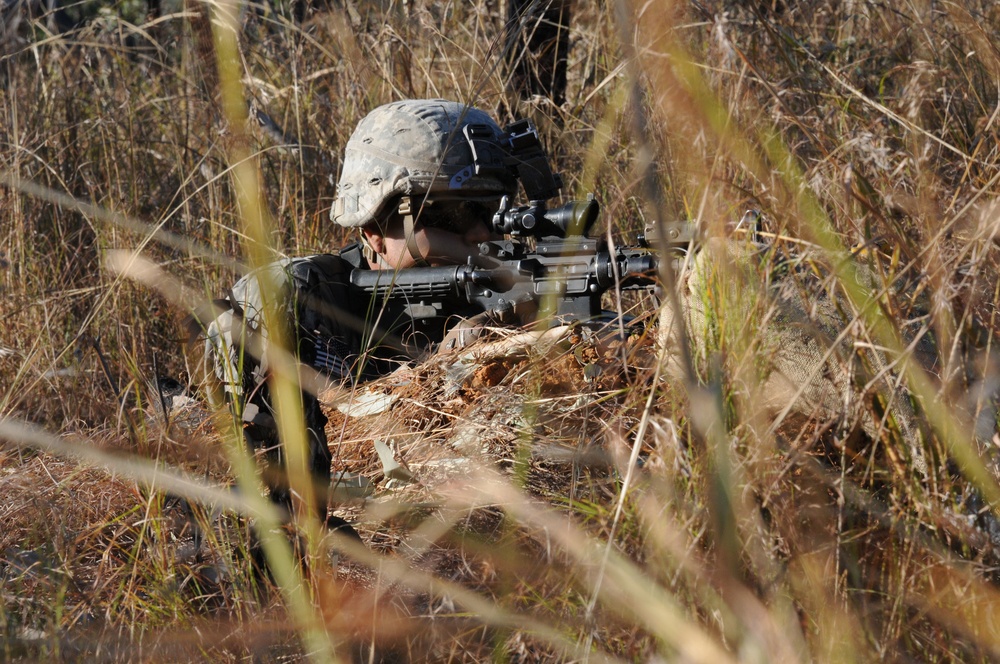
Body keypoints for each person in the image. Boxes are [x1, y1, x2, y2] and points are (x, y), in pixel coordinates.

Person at [204, 99, 523, 526]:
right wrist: (440, 369)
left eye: (491, 210)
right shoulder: (302, 299)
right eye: (452, 213)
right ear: (374, 231)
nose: (481, 232)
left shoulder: (507, 288)